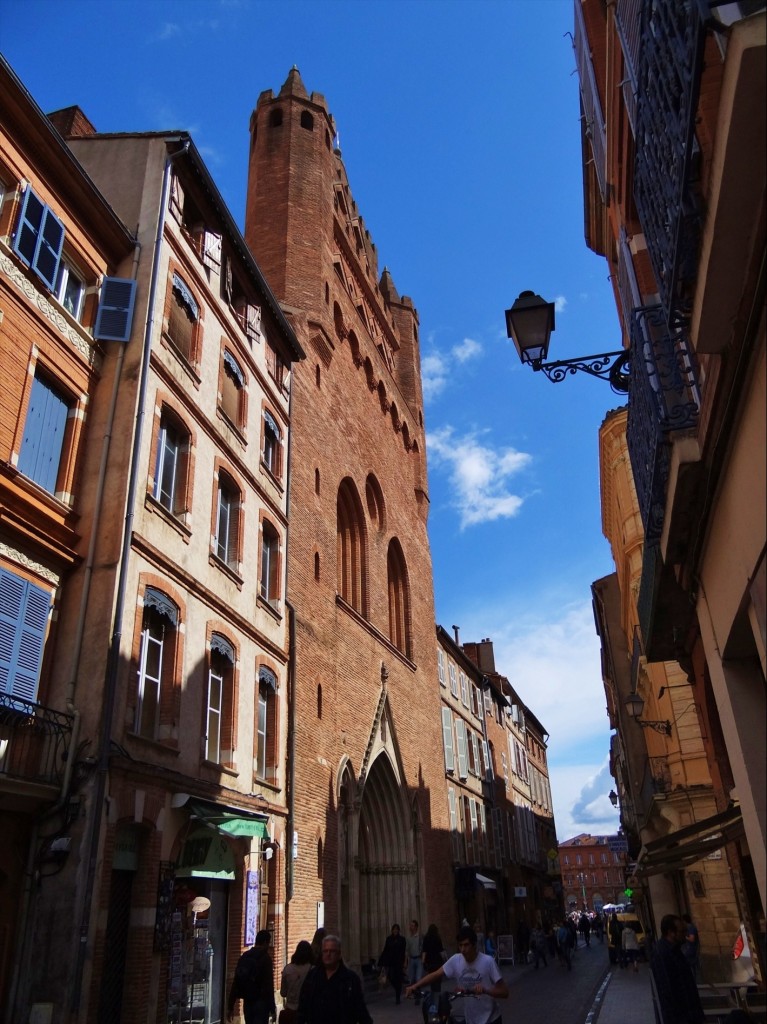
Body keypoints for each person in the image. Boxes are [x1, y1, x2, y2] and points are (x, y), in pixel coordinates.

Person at [406, 925, 509, 1024]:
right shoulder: (456, 960)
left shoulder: (488, 962)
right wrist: (415, 986)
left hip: (490, 1019)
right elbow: (436, 974)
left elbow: (504, 992)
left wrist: (486, 991)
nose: (463, 949)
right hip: (471, 1019)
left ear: (474, 945)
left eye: (466, 945)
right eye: (460, 945)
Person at [296, 934, 373, 1024]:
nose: (328, 954)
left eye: (332, 951)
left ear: (339, 954)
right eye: (325, 951)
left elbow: (360, 1009)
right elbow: (302, 1006)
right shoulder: (313, 976)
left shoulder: (350, 979)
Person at [650, 914, 705, 1024]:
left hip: (689, 1014)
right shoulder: (663, 953)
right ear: (671, 932)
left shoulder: (674, 949)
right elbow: (668, 990)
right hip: (681, 1017)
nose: (685, 935)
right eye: (682, 931)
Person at [227, 929, 277, 1024]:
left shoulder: (245, 956)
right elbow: (269, 985)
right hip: (261, 1003)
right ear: (265, 942)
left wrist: (230, 1006)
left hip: (247, 1001)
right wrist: (272, 1008)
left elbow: (236, 981)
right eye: (268, 943)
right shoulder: (265, 958)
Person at [280, 940, 313, 1024]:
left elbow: (283, 993)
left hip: (290, 1010)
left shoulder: (287, 969)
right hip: (307, 1012)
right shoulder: (313, 970)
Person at [420, 923, 446, 1024]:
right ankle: (436, 1006)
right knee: (437, 986)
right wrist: (446, 961)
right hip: (438, 964)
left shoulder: (426, 938)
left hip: (430, 964)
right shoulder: (437, 938)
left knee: (433, 985)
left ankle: (433, 1007)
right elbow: (441, 951)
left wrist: (423, 962)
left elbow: (424, 951)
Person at [378, 922, 407, 1004]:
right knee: (390, 977)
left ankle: (397, 997)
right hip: (390, 962)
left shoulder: (402, 939)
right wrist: (381, 962)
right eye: (394, 929)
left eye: (396, 929)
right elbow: (385, 950)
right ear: (392, 930)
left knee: (398, 978)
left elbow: (404, 951)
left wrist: (405, 962)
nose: (395, 931)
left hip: (398, 962)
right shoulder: (389, 939)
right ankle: (397, 988)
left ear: (398, 930)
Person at [405, 919, 423, 1005]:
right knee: (412, 979)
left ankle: (418, 997)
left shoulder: (420, 937)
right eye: (410, 925)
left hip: (418, 959)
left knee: (418, 978)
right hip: (412, 959)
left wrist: (423, 959)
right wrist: (405, 961)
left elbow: (423, 949)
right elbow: (407, 951)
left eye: (412, 925)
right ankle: (415, 994)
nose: (410, 927)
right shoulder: (408, 938)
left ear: (416, 927)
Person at [681, 913, 700, 978]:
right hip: (691, 949)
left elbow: (692, 939)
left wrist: (685, 937)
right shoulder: (690, 927)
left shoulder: (690, 928)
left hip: (691, 949)